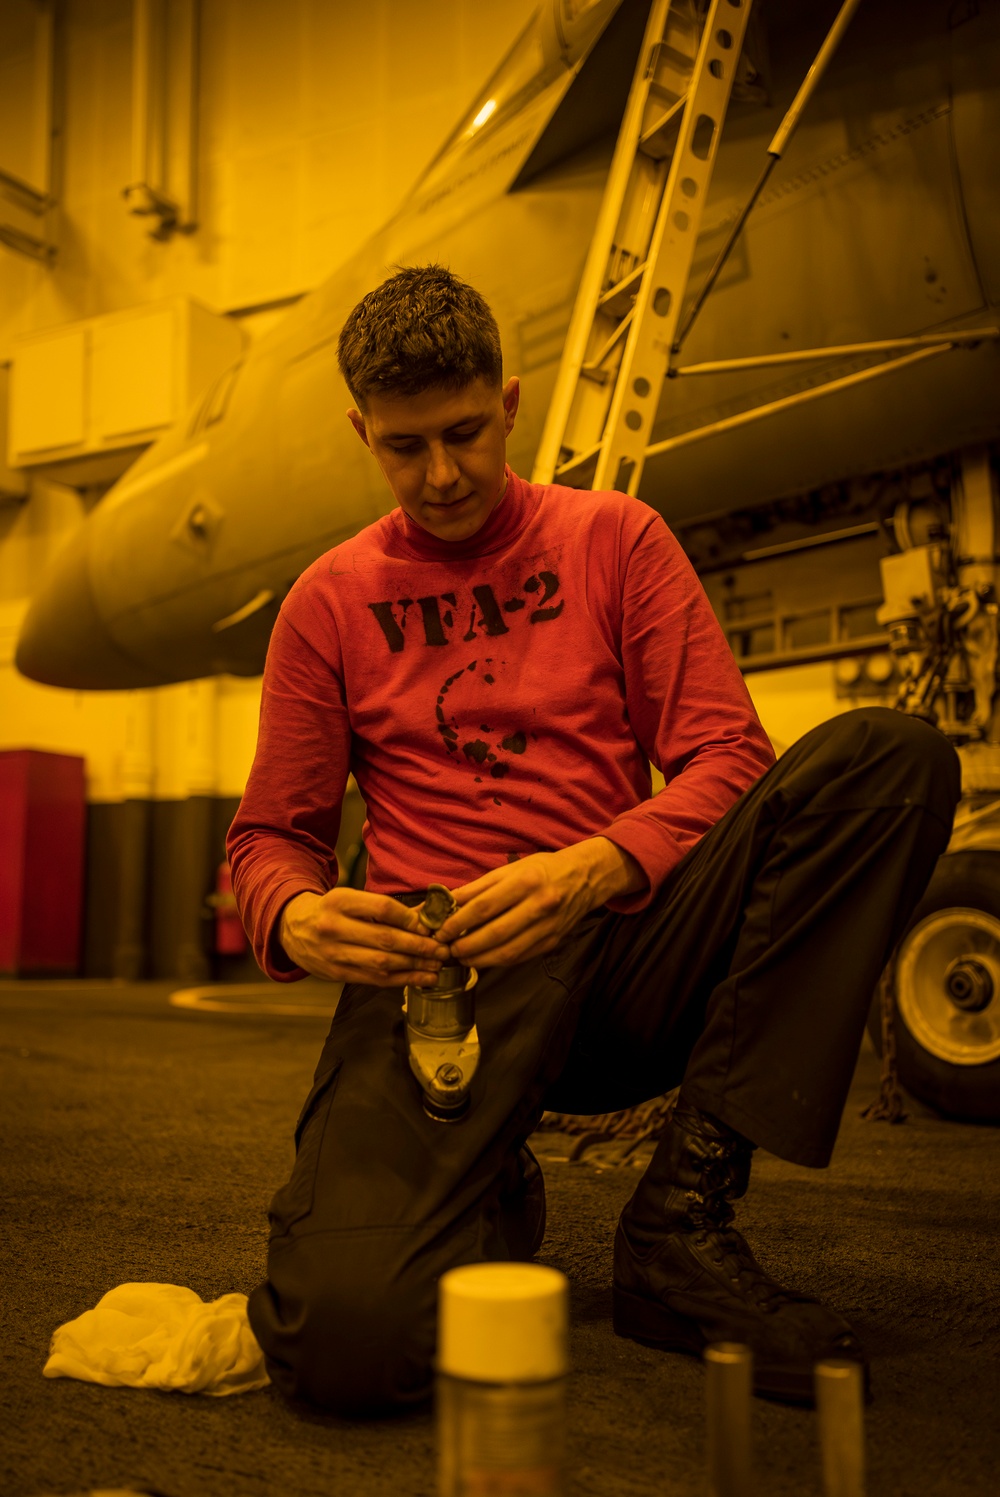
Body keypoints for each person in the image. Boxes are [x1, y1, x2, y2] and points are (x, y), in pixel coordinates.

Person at [227, 264, 960, 1417]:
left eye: (465, 434)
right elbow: (270, 837)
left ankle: (679, 1227)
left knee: (887, 760)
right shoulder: (328, 600)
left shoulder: (615, 538)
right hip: (445, 989)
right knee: (340, 1353)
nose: (442, 474)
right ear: (361, 432)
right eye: (403, 448)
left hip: (624, 949)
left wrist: (598, 865)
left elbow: (728, 758)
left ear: (509, 403)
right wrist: (297, 913)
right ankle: (488, 1183)